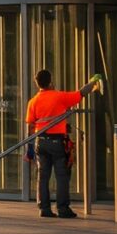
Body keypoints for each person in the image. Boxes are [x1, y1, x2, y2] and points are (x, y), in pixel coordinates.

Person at [26, 69, 101, 218]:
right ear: (51, 81)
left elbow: (29, 126)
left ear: (37, 83)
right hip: (57, 142)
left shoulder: (33, 101)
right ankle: (63, 208)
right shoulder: (59, 97)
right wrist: (93, 82)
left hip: (40, 142)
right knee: (62, 175)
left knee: (43, 176)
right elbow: (81, 93)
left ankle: (44, 209)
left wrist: (29, 149)